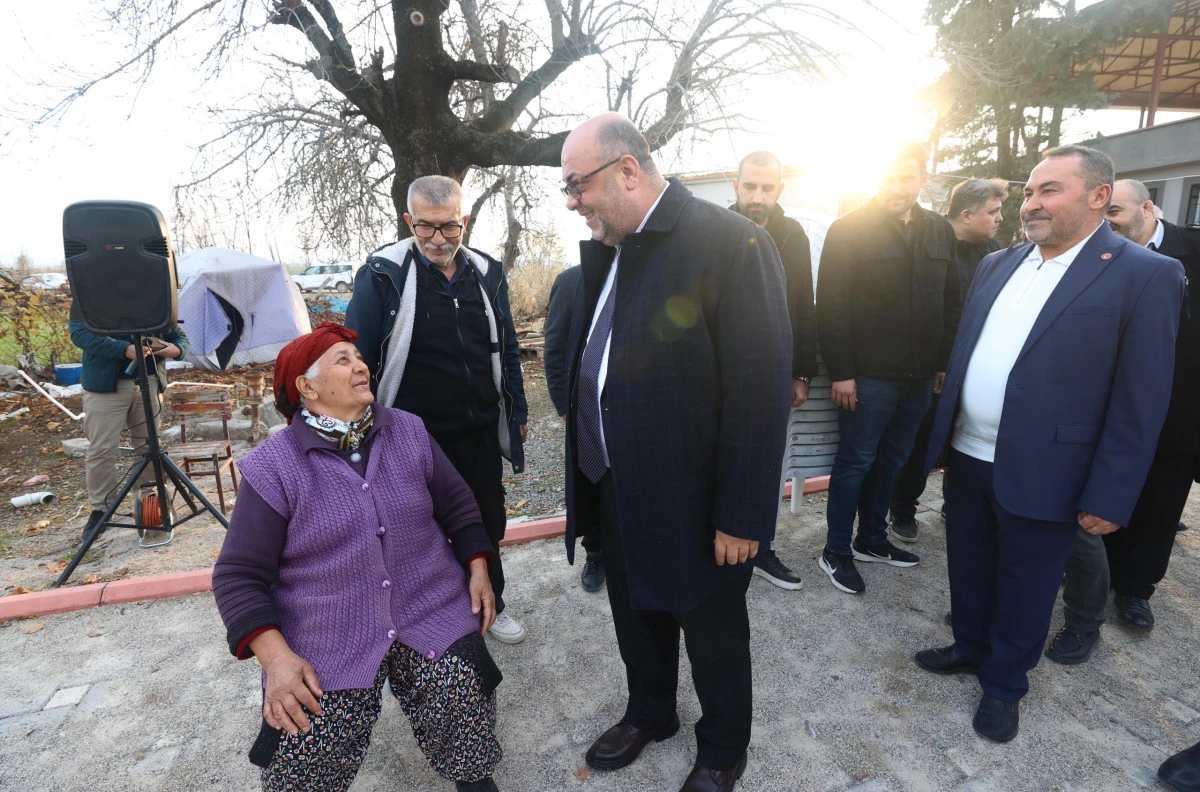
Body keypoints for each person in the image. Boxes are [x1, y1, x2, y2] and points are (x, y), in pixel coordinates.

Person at [913, 147, 1185, 743]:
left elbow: (1142, 400)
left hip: (1052, 468)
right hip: (968, 454)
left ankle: (1005, 685)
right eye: (1029, 192)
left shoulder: (1144, 274)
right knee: (970, 565)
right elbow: (968, 354)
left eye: (1049, 191)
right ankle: (970, 646)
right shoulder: (998, 263)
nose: (1030, 204)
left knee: (1028, 583)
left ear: (1096, 197)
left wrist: (1111, 495)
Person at [560, 114, 791, 792]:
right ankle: (651, 712)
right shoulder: (616, 248)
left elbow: (758, 389)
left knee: (714, 632)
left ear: (627, 170)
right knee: (635, 615)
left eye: (578, 184)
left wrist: (744, 514)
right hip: (618, 483)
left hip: (699, 500)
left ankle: (722, 750)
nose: (572, 201)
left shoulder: (730, 243)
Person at [212, 323, 504, 792]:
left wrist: (478, 568)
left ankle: (474, 779)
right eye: (342, 360)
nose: (361, 366)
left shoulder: (407, 430)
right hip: (327, 632)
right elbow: (237, 576)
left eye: (359, 356)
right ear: (306, 387)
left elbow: (458, 506)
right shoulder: (275, 466)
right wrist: (278, 661)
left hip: (428, 607)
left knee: (460, 690)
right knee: (306, 747)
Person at [346, 175, 530, 645]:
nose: (438, 239)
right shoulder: (383, 272)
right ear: (409, 222)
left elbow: (506, 346)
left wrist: (518, 409)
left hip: (479, 428)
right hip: (412, 435)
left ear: (464, 221)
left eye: (449, 227)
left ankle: (493, 604)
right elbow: (360, 353)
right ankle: (433, 617)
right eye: (425, 228)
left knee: (486, 520)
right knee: (417, 529)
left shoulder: (486, 271)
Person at [1045, 178, 1200, 663]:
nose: (1106, 220)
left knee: (1159, 498)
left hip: (1180, 403)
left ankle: (1135, 589)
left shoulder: (1190, 250)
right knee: (1095, 497)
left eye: (1115, 211)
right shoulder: (1093, 253)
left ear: (1148, 207)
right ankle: (1087, 585)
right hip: (1104, 398)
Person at [815, 143, 961, 593]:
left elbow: (951, 301)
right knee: (855, 462)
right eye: (888, 177)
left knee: (894, 461)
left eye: (905, 177)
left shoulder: (940, 230)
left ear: (921, 179)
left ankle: (872, 540)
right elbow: (832, 305)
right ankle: (836, 550)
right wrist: (842, 371)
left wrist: (941, 362)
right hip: (868, 377)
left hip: (920, 377)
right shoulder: (849, 229)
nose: (896, 186)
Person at [889, 178, 1007, 543]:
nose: (1000, 218)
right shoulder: (930, 244)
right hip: (935, 366)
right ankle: (903, 508)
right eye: (993, 211)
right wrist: (939, 361)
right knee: (922, 438)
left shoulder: (993, 249)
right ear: (967, 214)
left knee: (964, 439)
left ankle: (957, 504)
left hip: (979, 365)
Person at [729, 150, 817, 591]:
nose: (758, 196)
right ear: (736, 187)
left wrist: (801, 370)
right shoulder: (712, 229)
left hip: (773, 372)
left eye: (767, 187)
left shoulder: (792, 235)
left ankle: (761, 547)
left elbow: (803, 304)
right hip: (719, 373)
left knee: (766, 463)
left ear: (780, 190)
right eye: (750, 186)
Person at [68, 304, 189, 538]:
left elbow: (179, 337)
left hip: (150, 381)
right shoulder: (90, 290)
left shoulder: (152, 290)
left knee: (148, 448)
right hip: (104, 387)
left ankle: (150, 507)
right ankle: (101, 511)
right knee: (101, 450)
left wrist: (177, 349)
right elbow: (80, 334)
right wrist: (124, 349)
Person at [544, 264, 606, 592]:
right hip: (585, 411)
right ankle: (595, 553)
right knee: (590, 483)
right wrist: (564, 406)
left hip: (632, 413)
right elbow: (554, 349)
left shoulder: (645, 274)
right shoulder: (570, 281)